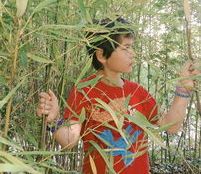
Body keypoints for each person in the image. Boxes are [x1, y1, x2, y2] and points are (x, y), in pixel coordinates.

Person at [36, 17, 199, 174]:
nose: (133, 54)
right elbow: (69, 140)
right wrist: (54, 119)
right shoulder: (84, 91)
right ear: (101, 55)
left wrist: (183, 89)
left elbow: (170, 126)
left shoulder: (137, 91)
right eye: (126, 47)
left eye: (132, 47)